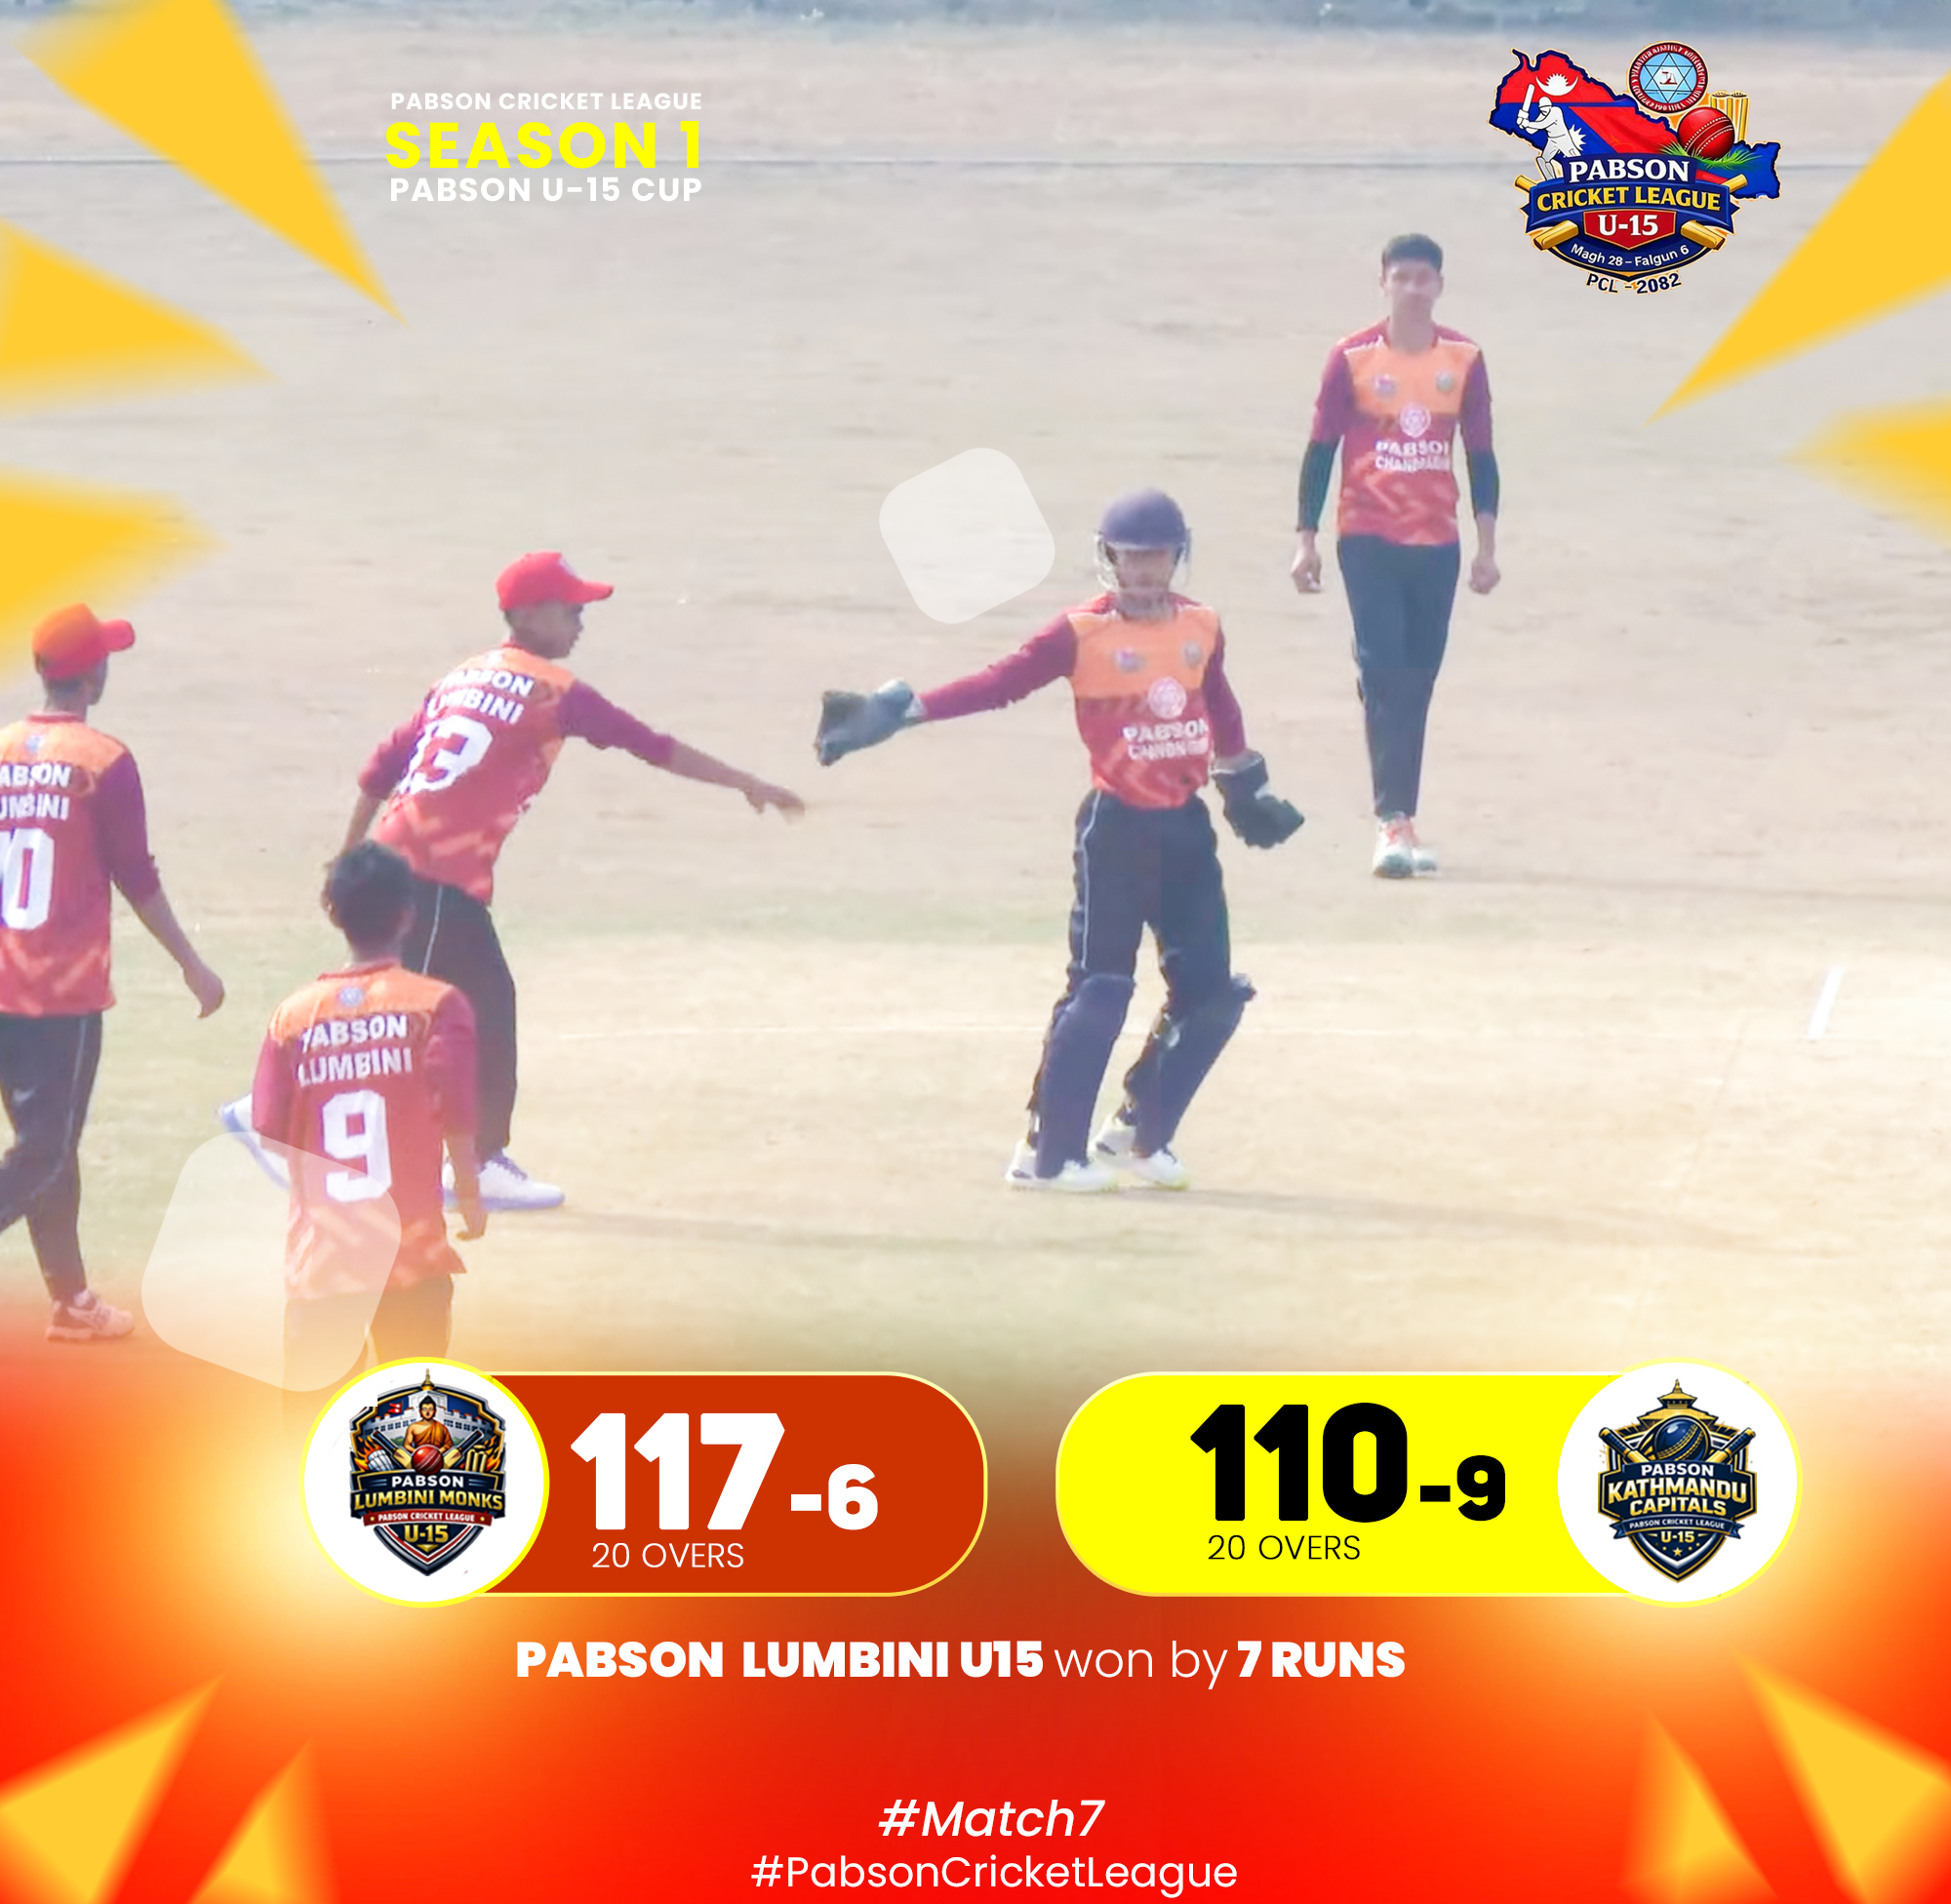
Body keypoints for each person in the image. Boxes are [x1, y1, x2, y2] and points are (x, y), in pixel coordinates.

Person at [231, 551, 805, 1211]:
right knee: (473, 1006)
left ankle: (283, 1110)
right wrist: (747, 783)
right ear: (528, 616)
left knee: (409, 1006)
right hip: (435, 875)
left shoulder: (462, 676)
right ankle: (467, 1158)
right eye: (571, 610)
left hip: (397, 862)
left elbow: (379, 768)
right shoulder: (554, 692)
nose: (581, 623)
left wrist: (351, 856)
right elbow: (653, 746)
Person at [816, 490, 1302, 1192]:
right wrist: (909, 711)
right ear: (1109, 559)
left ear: (1178, 556)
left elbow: (1218, 704)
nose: (1144, 571)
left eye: (1157, 556)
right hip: (1117, 827)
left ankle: (1139, 1133)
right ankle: (1046, 1153)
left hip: (1186, 828)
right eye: (1131, 557)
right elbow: (1001, 683)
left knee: (1212, 995)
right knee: (1100, 991)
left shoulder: (1201, 625)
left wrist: (1244, 784)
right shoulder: (1080, 633)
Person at [0, 605, 225, 1341]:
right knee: (45, 1151)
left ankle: (71, 1302)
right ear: (93, 676)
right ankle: (70, 1301)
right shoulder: (103, 761)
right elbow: (136, 875)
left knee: (48, 1147)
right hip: (58, 994)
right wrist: (192, 965)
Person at [1291, 233, 1500, 879]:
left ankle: (1403, 819)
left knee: (1416, 682)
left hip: (1437, 542)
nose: (1412, 288)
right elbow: (1321, 450)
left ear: (1439, 286)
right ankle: (1392, 823)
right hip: (1368, 535)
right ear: (1383, 281)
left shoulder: (1463, 359)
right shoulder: (1351, 357)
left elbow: (1481, 454)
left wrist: (1487, 547)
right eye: (1401, 277)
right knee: (1387, 674)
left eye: (1423, 278)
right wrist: (1305, 539)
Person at [251, 841, 485, 1380]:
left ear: (334, 914)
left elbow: (269, 1132)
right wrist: (470, 1195)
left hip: (324, 1264)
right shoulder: (435, 1005)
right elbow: (456, 1111)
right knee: (413, 1414)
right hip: (411, 1258)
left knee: (315, 1417)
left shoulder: (293, 1017)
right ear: (407, 914)